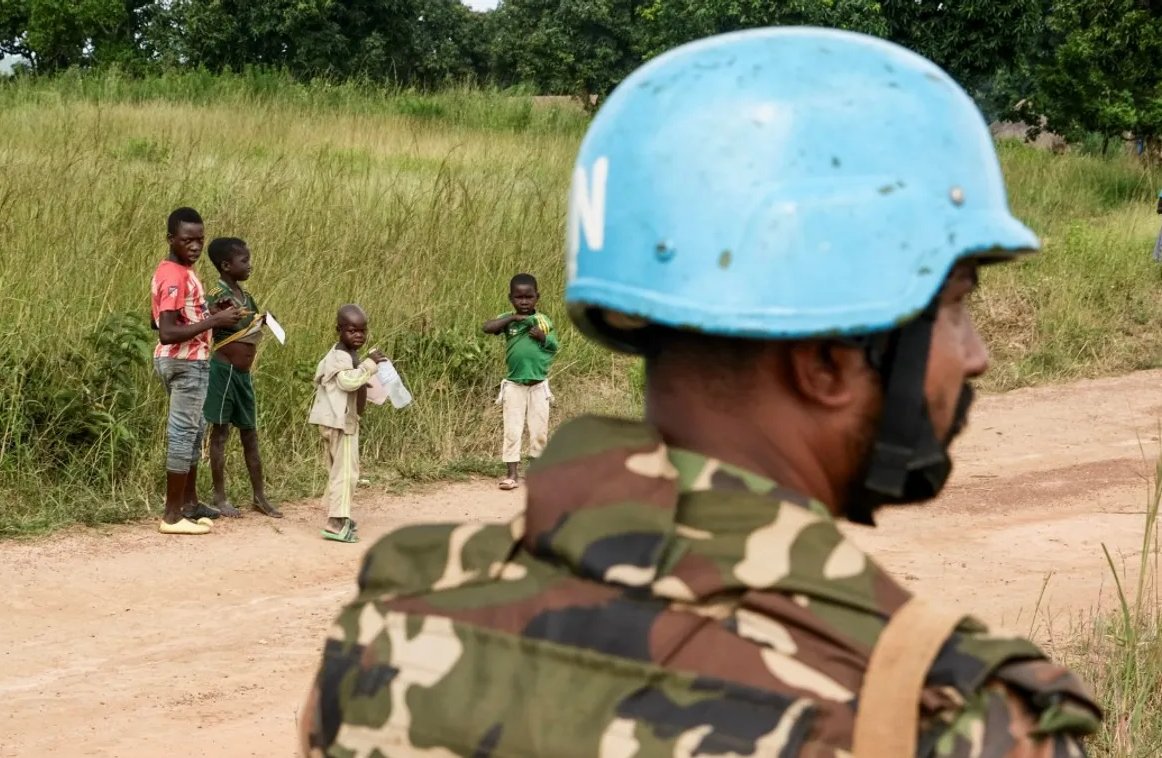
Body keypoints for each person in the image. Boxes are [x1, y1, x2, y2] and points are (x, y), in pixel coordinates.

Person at [298, 27, 1102, 757]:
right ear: (825, 360)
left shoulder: (390, 629)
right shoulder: (954, 726)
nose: (977, 357)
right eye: (956, 305)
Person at [150, 207, 240, 536]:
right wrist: (215, 321)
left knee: (194, 433)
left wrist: (209, 311)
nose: (195, 246)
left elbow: (160, 318)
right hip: (183, 361)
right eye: (187, 240)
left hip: (192, 360)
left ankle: (189, 504)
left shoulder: (181, 271)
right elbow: (166, 331)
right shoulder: (174, 274)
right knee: (183, 435)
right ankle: (172, 515)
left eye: (200, 239)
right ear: (171, 239)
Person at [201, 237, 284, 520]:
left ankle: (260, 496)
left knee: (250, 433)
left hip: (243, 375)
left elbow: (249, 323)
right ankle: (219, 496)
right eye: (244, 261)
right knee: (221, 433)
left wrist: (265, 319)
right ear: (226, 265)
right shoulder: (216, 293)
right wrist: (217, 312)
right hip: (223, 372)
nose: (250, 266)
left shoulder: (245, 296)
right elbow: (207, 316)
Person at [307, 305, 388, 544]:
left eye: (363, 331)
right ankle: (336, 522)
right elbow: (347, 381)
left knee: (339, 472)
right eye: (352, 331)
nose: (359, 336)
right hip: (340, 424)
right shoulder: (338, 356)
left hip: (342, 421)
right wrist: (370, 365)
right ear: (339, 330)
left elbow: (355, 381)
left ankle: (338, 516)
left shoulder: (350, 355)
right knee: (346, 474)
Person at [482, 273, 560, 491]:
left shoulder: (543, 321)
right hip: (514, 386)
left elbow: (554, 346)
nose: (524, 302)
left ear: (537, 297)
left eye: (529, 297)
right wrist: (511, 319)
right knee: (512, 429)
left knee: (539, 431)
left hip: (538, 386)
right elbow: (487, 328)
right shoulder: (508, 320)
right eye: (518, 297)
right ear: (511, 299)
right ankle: (512, 475)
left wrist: (542, 338)